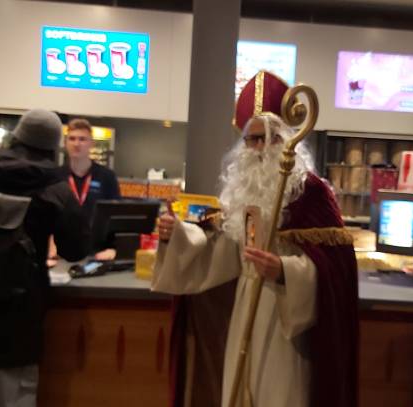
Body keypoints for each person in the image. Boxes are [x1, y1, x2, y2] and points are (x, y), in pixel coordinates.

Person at [152, 71, 358, 407]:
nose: (259, 148)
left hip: (285, 321)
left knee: (278, 394)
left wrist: (284, 271)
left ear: (286, 139)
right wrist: (177, 236)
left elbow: (335, 270)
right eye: (252, 139)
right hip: (245, 307)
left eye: (268, 138)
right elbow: (222, 251)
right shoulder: (244, 190)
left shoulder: (310, 192)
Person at [0, 109, 91, 407]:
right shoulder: (55, 188)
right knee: (13, 391)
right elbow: (76, 249)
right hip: (20, 306)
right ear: (54, 146)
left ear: (17, 136)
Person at [56, 118, 121, 260]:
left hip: (98, 252)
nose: (76, 144)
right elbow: (47, 216)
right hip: (61, 253)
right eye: (72, 139)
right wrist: (49, 245)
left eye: (82, 139)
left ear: (91, 144)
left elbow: (117, 216)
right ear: (65, 143)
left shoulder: (107, 177)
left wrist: (114, 248)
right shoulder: (56, 176)